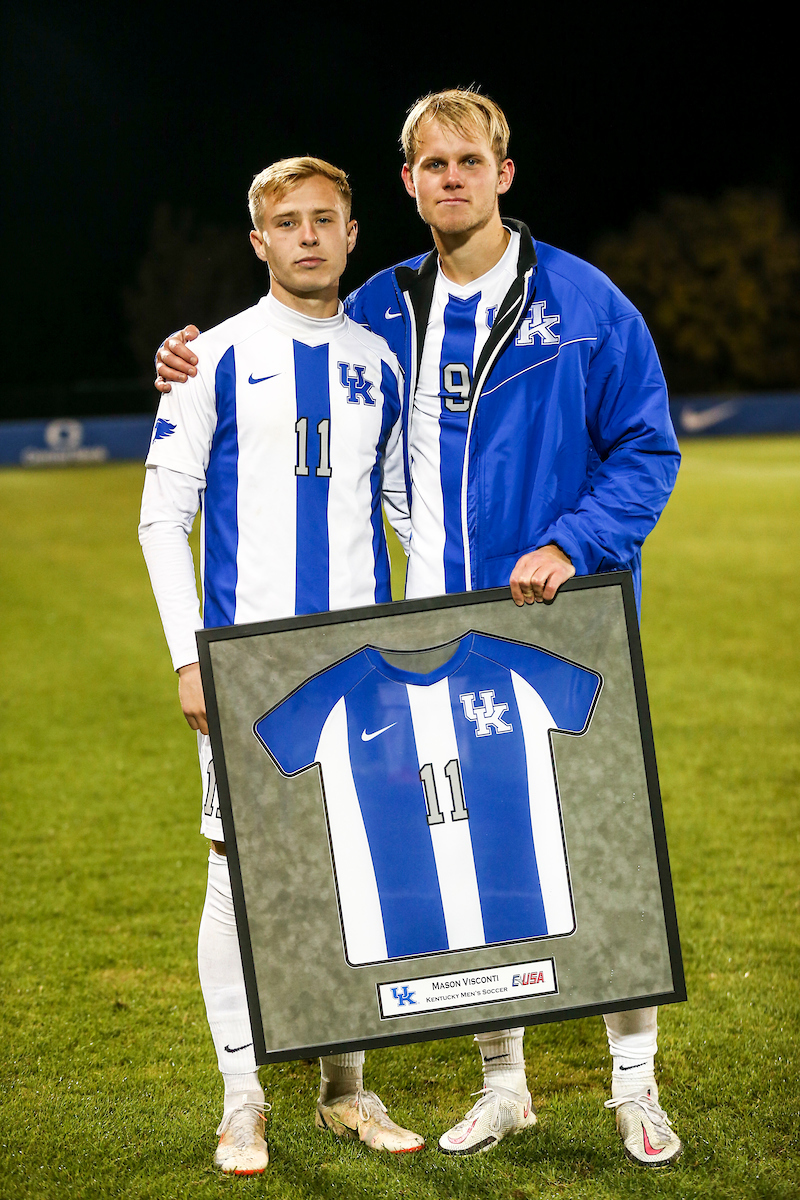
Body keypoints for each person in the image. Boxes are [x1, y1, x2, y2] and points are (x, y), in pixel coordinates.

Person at [155, 89, 683, 1169]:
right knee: (472, 857)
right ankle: (501, 1086)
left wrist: (572, 542)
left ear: (502, 170)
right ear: (405, 184)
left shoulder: (580, 301)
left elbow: (645, 448)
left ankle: (634, 1090)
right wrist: (187, 354)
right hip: (420, 628)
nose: (451, 177)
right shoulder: (388, 309)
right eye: (430, 163)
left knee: (594, 848)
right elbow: (383, 471)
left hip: (553, 614)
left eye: (468, 159)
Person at [139, 155, 424, 1176]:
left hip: (358, 665)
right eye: (285, 222)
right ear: (257, 241)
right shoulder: (210, 356)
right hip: (248, 662)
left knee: (354, 873)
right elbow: (161, 518)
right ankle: (241, 1099)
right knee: (238, 878)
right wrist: (190, 658)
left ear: (352, 235)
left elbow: (402, 510)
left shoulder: (382, 362)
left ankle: (344, 1092)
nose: (307, 236)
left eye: (325, 220)